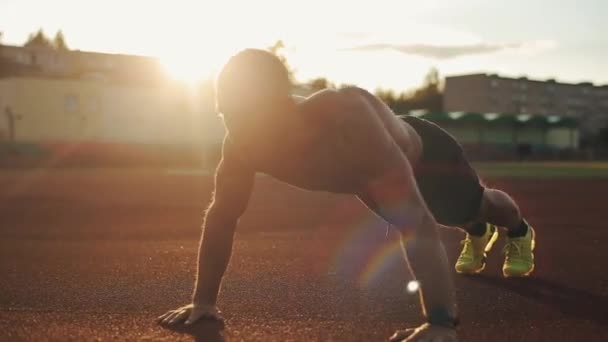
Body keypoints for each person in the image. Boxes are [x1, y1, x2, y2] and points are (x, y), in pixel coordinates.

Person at [157, 49, 535, 341]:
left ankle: (517, 231)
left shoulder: (347, 117)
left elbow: (414, 221)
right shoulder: (240, 145)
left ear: (281, 104)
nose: (238, 129)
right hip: (366, 182)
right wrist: (204, 302)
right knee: (452, 218)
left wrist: (440, 322)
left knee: (473, 209)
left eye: (248, 116)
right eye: (227, 115)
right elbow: (222, 215)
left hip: (428, 159)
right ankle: (476, 230)